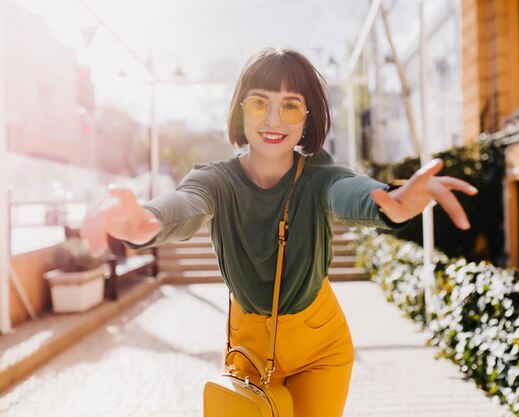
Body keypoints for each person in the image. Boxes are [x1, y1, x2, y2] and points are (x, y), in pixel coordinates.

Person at [80, 47, 478, 417]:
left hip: (320, 347)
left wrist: (390, 201)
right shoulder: (215, 181)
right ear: (240, 112)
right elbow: (185, 204)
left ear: (307, 118)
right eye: (259, 103)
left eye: (291, 106)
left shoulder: (321, 177)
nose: (273, 120)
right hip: (248, 348)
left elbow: (350, 192)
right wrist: (148, 220)